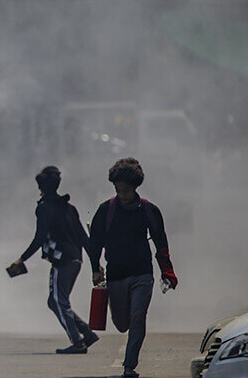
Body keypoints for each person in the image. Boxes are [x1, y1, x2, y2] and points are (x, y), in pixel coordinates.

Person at [89, 158, 177, 378]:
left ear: (135, 187)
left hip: (142, 275)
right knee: (121, 324)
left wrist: (167, 272)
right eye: (118, 191)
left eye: (125, 191)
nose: (122, 195)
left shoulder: (149, 211)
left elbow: (161, 243)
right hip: (116, 275)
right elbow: (94, 242)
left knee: (138, 316)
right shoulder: (105, 210)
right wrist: (94, 268)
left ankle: (129, 367)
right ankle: (128, 353)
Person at [9, 166, 99, 354]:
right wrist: (95, 264)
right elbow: (84, 238)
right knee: (55, 301)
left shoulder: (44, 208)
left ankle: (77, 342)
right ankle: (86, 333)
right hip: (76, 259)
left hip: (62, 261)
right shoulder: (69, 208)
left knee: (60, 301)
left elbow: (40, 237)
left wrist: (21, 259)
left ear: (40, 186)